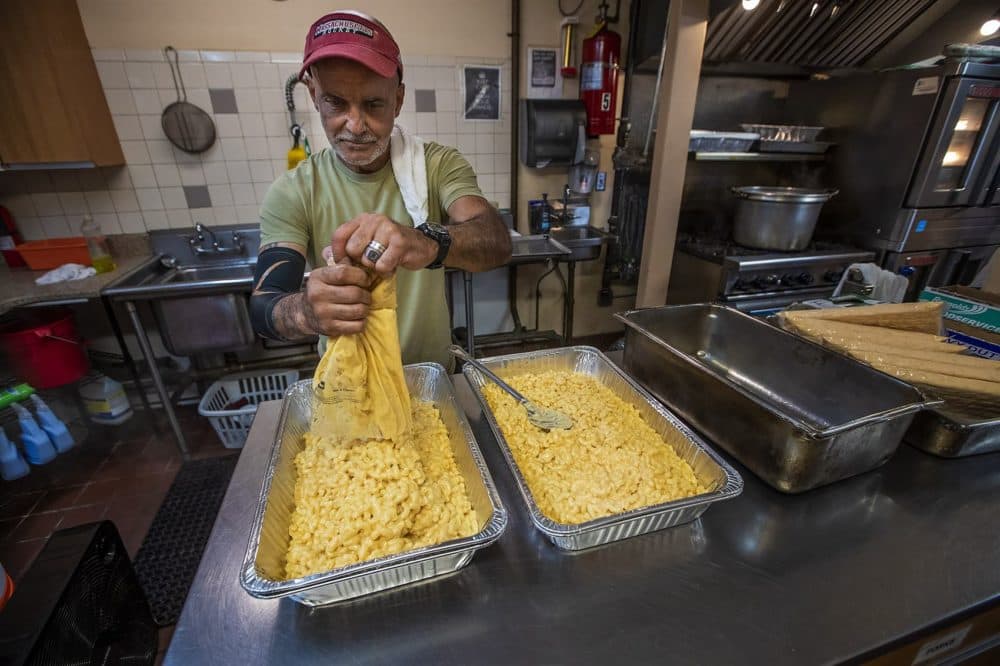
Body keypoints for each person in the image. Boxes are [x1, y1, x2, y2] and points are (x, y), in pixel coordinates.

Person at [249, 10, 512, 368]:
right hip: (349, 388)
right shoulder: (294, 191)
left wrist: (428, 242)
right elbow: (265, 304)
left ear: (398, 100)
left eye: (373, 104)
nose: (355, 125)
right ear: (314, 95)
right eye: (335, 103)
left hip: (432, 379)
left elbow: (496, 241)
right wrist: (306, 312)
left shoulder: (436, 166)